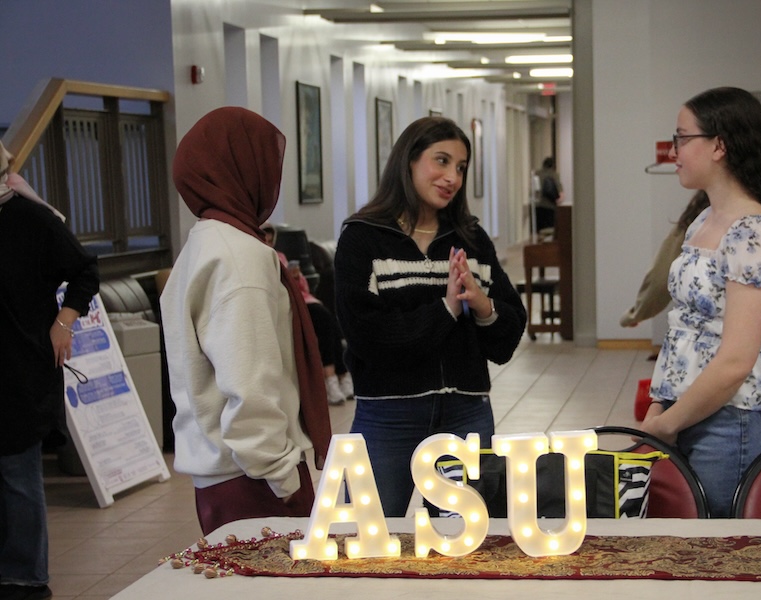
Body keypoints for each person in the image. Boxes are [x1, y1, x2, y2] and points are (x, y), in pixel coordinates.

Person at [334, 116, 527, 516]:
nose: (452, 177)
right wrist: (447, 309)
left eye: (460, 167)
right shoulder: (363, 237)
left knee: (469, 552)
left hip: (466, 413)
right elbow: (369, 337)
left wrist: (482, 305)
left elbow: (506, 340)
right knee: (367, 548)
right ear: (409, 161)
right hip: (387, 417)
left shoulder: (471, 239)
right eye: (441, 161)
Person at [160, 107, 332, 536]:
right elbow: (249, 381)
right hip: (254, 480)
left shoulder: (204, 242)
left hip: (220, 474)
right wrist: (283, 479)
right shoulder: (240, 255)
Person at [639, 87, 761, 518]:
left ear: (719, 145)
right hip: (691, 411)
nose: (674, 150)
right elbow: (684, 332)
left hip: (736, 423)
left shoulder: (755, 232)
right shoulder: (704, 218)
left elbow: (735, 361)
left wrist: (668, 424)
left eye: (682, 137)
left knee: (725, 557)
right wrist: (662, 406)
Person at [1, 141, 99, 600]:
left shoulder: (30, 217)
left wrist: (64, 323)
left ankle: (25, 578)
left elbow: (84, 271)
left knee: (17, 472)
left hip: (19, 366)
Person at [620, 190, 761, 328]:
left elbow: (660, 277)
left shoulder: (702, 215)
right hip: (759, 345)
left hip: (714, 351)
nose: (675, 153)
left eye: (684, 139)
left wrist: (636, 313)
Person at [261, 222, 353, 405]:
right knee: (324, 319)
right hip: (289, 305)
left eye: (271, 241)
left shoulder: (281, 257)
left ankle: (340, 376)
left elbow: (304, 288)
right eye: (266, 240)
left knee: (331, 324)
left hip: (304, 301)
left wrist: (296, 277)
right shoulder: (261, 261)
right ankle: (331, 378)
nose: (269, 244)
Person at [534, 156, 563, 233]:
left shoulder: (537, 174)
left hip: (537, 207)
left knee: (539, 232)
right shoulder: (554, 175)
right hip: (549, 207)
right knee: (549, 232)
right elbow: (560, 194)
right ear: (553, 165)